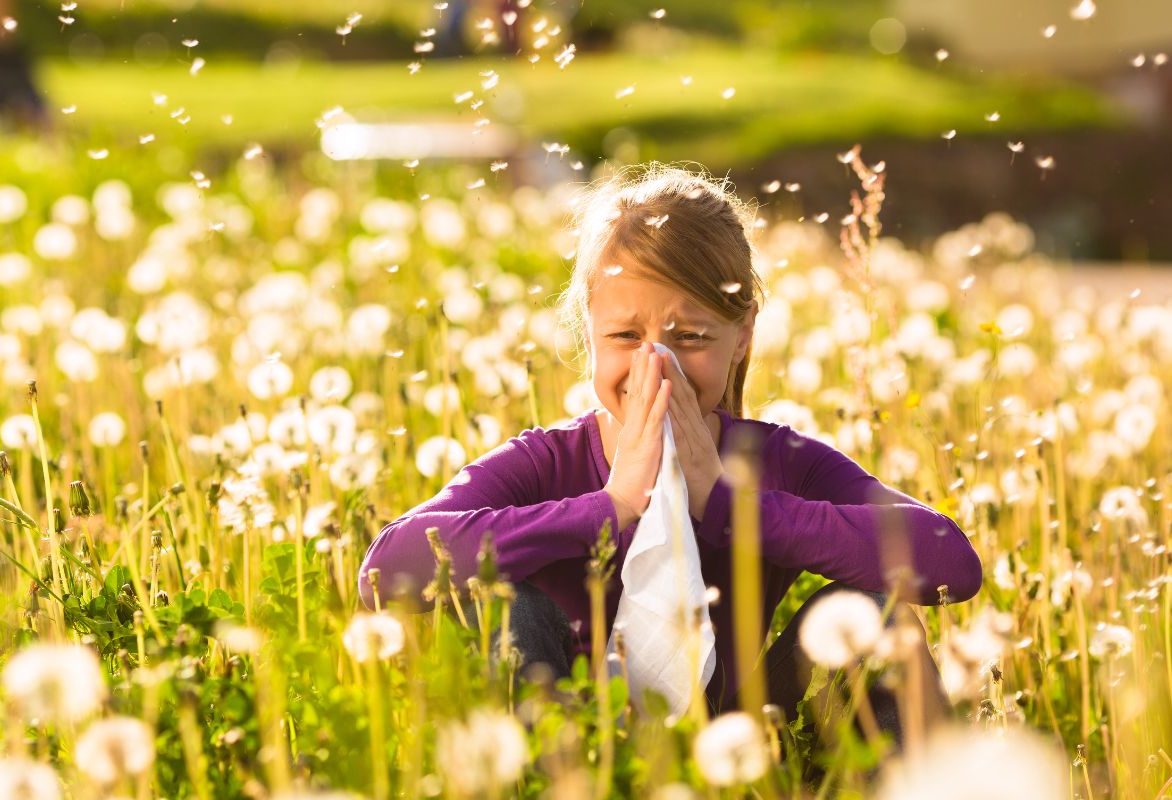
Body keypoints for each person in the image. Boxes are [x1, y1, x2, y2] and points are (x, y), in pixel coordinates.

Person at [357, 163, 983, 749]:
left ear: (742, 338)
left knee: (878, 615)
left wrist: (730, 505)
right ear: (588, 331)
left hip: (736, 738)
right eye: (626, 336)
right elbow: (385, 572)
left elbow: (950, 561)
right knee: (507, 603)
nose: (657, 365)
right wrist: (610, 507)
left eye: (690, 337)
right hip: (568, 741)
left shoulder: (778, 460)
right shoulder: (545, 463)